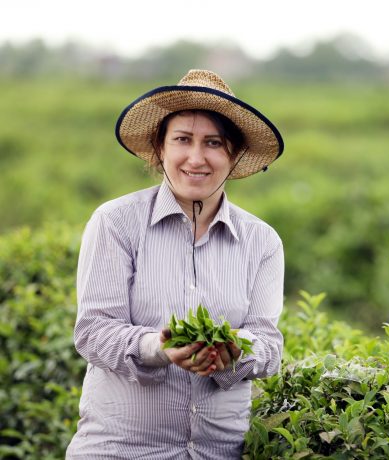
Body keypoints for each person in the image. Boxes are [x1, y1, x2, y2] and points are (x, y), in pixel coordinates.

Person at [66, 69, 285, 459]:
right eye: (183, 139)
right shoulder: (116, 222)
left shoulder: (262, 241)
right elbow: (95, 331)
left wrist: (234, 351)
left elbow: (268, 343)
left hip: (218, 451)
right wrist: (159, 347)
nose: (196, 158)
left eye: (213, 143)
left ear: (232, 156)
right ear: (160, 148)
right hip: (121, 449)